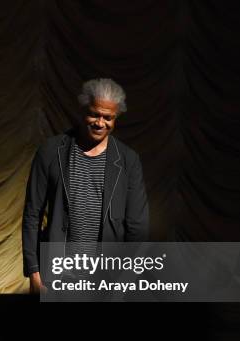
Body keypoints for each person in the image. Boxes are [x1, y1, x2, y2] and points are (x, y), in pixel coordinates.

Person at [22, 78, 149, 293]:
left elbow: (138, 227)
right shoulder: (51, 151)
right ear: (82, 111)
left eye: (108, 117)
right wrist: (34, 272)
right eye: (94, 114)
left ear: (115, 117)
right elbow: (32, 215)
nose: (100, 123)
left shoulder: (128, 160)